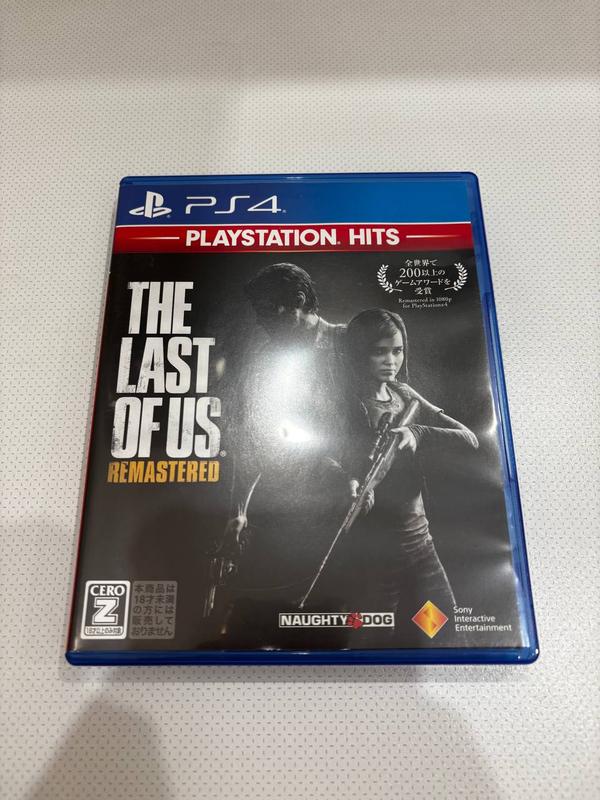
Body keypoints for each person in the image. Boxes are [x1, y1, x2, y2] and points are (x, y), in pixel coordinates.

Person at [215, 263, 348, 644]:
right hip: (292, 514)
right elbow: (253, 441)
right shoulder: (267, 361)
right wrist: (238, 512)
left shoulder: (350, 342)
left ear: (298, 301)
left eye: (266, 311)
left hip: (357, 510)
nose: (260, 322)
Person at [332, 308, 479, 646]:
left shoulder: (404, 394)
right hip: (375, 556)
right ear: (358, 353)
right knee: (373, 642)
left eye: (397, 351)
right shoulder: (346, 404)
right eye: (379, 351)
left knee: (442, 631)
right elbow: (327, 457)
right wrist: (346, 480)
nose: (390, 361)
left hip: (420, 545)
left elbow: (469, 438)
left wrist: (418, 432)